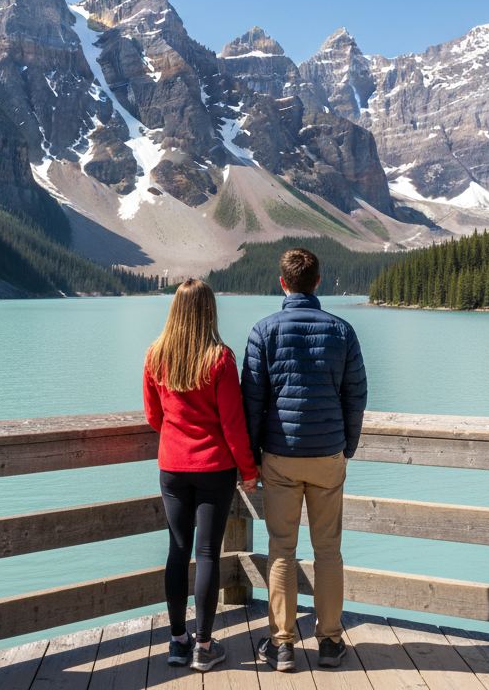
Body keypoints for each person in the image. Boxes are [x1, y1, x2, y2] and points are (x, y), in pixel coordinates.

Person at [241, 248, 367, 672]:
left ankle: (282, 645)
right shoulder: (342, 330)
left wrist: (256, 456)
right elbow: (356, 395)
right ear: (317, 282)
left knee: (281, 550)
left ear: (283, 283)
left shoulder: (263, 331)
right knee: (328, 550)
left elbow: (252, 401)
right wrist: (346, 446)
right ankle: (330, 642)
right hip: (328, 453)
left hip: (280, 456)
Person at [143, 279, 260, 673]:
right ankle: (204, 647)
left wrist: (177, 439)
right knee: (207, 553)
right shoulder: (220, 359)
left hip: (172, 467)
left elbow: (153, 417)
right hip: (215, 469)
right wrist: (248, 471)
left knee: (178, 550)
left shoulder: (155, 356)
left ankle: (178, 642)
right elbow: (233, 424)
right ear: (209, 311)